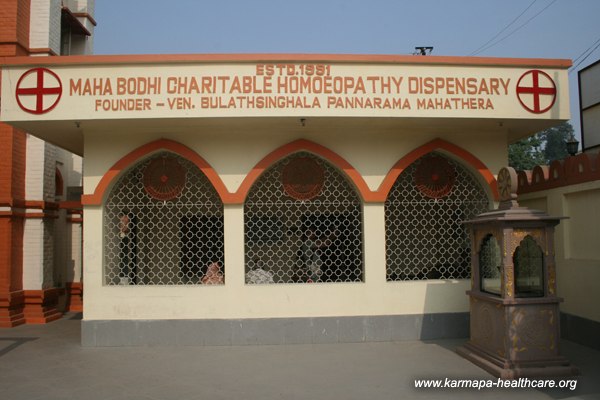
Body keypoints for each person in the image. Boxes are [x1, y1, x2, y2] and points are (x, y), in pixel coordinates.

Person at [118, 211, 137, 285]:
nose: (125, 224)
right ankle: (123, 280)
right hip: (123, 238)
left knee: (126, 258)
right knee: (123, 258)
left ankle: (126, 280)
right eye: (122, 221)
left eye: (126, 222)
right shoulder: (116, 237)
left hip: (128, 240)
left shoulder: (130, 236)